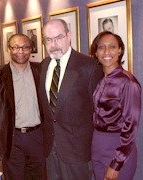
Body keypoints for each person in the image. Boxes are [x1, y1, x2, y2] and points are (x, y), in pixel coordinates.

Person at [39, 19, 103, 180]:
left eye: (59, 37)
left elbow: (98, 113)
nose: (54, 44)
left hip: (77, 152)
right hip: (50, 149)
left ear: (69, 36)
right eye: (48, 39)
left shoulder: (89, 66)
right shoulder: (44, 65)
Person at [90, 31, 141, 180]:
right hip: (97, 144)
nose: (106, 52)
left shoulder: (128, 82)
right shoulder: (100, 79)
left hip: (117, 147)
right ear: (96, 52)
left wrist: (116, 164)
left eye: (112, 47)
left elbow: (131, 127)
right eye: (101, 47)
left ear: (120, 50)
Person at [0, 33, 46, 180]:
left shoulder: (41, 71)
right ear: (9, 49)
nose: (21, 51)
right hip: (12, 137)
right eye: (16, 47)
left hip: (37, 136)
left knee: (40, 175)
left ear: (31, 49)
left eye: (25, 47)